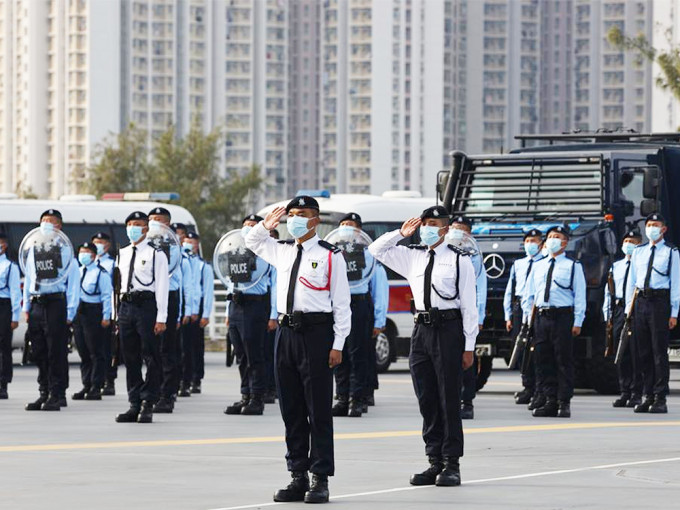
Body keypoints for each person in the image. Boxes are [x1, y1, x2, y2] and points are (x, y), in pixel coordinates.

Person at [245, 196, 351, 504]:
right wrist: (269, 223)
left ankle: (320, 477)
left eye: (301, 215)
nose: (294, 220)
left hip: (317, 334)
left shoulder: (331, 256)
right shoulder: (282, 251)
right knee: (290, 409)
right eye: (291, 215)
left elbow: (342, 305)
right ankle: (297, 475)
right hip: (285, 333)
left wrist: (338, 344)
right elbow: (252, 240)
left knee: (318, 410)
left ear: (316, 220)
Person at [369, 205, 478, 487]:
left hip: (448, 330)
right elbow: (375, 251)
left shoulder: (459, 260)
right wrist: (400, 234)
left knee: (448, 399)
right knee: (426, 398)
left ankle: (452, 463)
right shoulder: (412, 256)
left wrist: (469, 346)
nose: (427, 228)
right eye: (424, 223)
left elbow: (469, 306)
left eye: (433, 223)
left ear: (445, 228)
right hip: (421, 330)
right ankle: (434, 461)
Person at [522, 225, 586, 418]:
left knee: (563, 361)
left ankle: (563, 401)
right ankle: (549, 399)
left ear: (565, 242)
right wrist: (528, 320)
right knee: (543, 360)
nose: (552, 240)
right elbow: (529, 295)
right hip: (541, 317)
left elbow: (579, 296)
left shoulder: (573, 266)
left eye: (556, 237)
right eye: (550, 237)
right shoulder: (538, 266)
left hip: (562, 317)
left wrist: (578, 322)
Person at [23, 209, 80, 411]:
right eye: (43, 221)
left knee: (56, 351)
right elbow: (29, 279)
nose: (46, 225)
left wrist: (70, 312)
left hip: (56, 303)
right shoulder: (33, 250)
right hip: (37, 303)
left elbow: (73, 285)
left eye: (51, 222)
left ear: (59, 226)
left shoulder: (65, 251)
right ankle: (44, 391)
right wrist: (26, 306)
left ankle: (57, 394)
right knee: (38, 350)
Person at [115, 211, 169, 424]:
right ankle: (134, 402)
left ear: (146, 228)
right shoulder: (123, 253)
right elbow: (117, 286)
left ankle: (148, 402)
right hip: (126, 307)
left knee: (151, 356)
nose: (132, 228)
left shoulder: (157, 254)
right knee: (130, 358)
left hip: (147, 306)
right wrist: (115, 314)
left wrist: (161, 317)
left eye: (137, 224)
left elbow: (162, 287)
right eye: (129, 224)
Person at [331, 212, 387, 417]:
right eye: (343, 224)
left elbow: (379, 289)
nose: (346, 228)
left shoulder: (368, 253)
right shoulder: (334, 252)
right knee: (339, 353)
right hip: (338, 307)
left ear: (359, 231)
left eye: (351, 225)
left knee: (359, 354)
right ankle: (342, 398)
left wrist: (379, 320)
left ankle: (358, 399)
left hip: (359, 306)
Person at [224, 214, 277, 416]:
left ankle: (257, 397)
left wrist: (273, 315)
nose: (249, 228)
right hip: (236, 305)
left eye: (253, 225)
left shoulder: (268, 252)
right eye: (246, 225)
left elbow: (276, 284)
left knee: (255, 355)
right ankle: (245, 395)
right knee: (241, 355)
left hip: (255, 305)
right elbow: (230, 279)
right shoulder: (235, 251)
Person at [626, 213, 679, 414]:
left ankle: (660, 397)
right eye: (649, 225)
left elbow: (676, 284)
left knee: (659, 352)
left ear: (663, 229)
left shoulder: (671, 251)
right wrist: (628, 309)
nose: (651, 228)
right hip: (641, 302)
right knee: (643, 352)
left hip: (659, 302)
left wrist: (674, 312)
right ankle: (647, 394)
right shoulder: (639, 251)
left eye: (655, 225)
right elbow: (632, 283)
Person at [147, 207, 194, 414]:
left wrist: (185, 311)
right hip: (149, 299)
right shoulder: (145, 247)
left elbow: (185, 284)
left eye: (158, 220)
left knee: (168, 350)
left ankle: (168, 395)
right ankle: (152, 392)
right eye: (151, 219)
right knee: (150, 350)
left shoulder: (175, 248)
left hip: (170, 298)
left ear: (167, 224)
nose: (153, 223)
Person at [449, 216, 486, 420]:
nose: (458, 234)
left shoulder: (474, 256)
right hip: (446, 314)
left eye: (462, 230)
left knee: (467, 358)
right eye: (454, 229)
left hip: (466, 314)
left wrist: (478, 317)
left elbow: (480, 288)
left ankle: (467, 401)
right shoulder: (442, 252)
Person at [503, 229, 544, 407]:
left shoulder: (544, 263)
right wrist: (508, 315)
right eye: (528, 240)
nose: (530, 244)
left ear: (541, 244)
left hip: (536, 309)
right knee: (521, 348)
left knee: (536, 349)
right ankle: (527, 385)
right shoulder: (518, 264)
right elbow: (510, 290)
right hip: (520, 308)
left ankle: (538, 388)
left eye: (534, 241)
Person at [603, 229, 643, 408]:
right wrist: (608, 315)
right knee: (621, 352)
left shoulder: (642, 265)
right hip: (618, 310)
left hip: (635, 311)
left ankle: (636, 393)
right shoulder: (616, 266)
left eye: (634, 242)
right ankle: (624, 391)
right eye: (627, 241)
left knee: (635, 353)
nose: (629, 245)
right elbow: (609, 292)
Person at [72, 242, 112, 401]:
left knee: (96, 351)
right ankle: (86, 384)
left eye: (87, 252)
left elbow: (106, 295)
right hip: (79, 312)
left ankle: (97, 386)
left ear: (94, 255)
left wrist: (106, 316)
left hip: (94, 311)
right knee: (83, 351)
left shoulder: (100, 273)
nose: (83, 254)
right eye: (81, 251)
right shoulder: (78, 271)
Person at [183, 231, 214, 394]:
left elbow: (208, 291)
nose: (189, 244)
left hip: (199, 307)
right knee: (183, 346)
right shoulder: (181, 262)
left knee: (196, 347)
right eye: (187, 241)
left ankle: (196, 379)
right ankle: (184, 378)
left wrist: (205, 314)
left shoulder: (204, 266)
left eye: (193, 241)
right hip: (185, 308)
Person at [172, 222, 198, 398]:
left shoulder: (186, 259)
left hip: (181, 306)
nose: (179, 237)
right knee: (168, 349)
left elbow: (189, 287)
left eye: (181, 234)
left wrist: (189, 310)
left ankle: (186, 382)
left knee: (184, 348)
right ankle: (171, 383)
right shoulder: (164, 255)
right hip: (167, 305)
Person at [91, 231, 117, 395]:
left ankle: (110, 380)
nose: (99, 244)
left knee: (107, 348)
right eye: (96, 241)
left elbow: (114, 290)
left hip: (107, 308)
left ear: (108, 245)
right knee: (93, 348)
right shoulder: (89, 265)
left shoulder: (113, 265)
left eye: (101, 242)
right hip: (90, 310)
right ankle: (95, 381)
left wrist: (111, 313)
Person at [0, 232, 21, 399]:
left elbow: (15, 292)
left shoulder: (10, 266)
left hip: (4, 306)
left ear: (4, 245)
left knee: (3, 347)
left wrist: (15, 316)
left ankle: (3, 383)